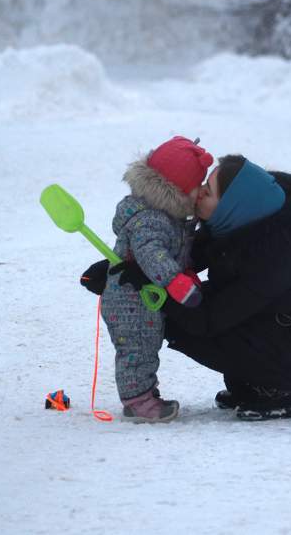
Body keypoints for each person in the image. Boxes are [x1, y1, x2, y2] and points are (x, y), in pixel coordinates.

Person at [103, 154, 291, 421]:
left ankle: (280, 390)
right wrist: (118, 269)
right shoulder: (238, 224)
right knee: (193, 307)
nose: (198, 193)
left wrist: (154, 290)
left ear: (231, 207)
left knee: (186, 318)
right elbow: (183, 257)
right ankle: (254, 385)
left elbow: (209, 320)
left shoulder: (274, 255)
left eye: (208, 192)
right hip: (287, 327)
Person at [82, 136, 213, 423]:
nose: (201, 193)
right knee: (137, 349)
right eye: (197, 187)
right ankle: (139, 402)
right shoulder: (151, 221)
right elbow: (151, 255)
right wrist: (176, 282)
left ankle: (142, 396)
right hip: (131, 298)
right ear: (178, 191)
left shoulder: (162, 215)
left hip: (142, 297)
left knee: (145, 346)